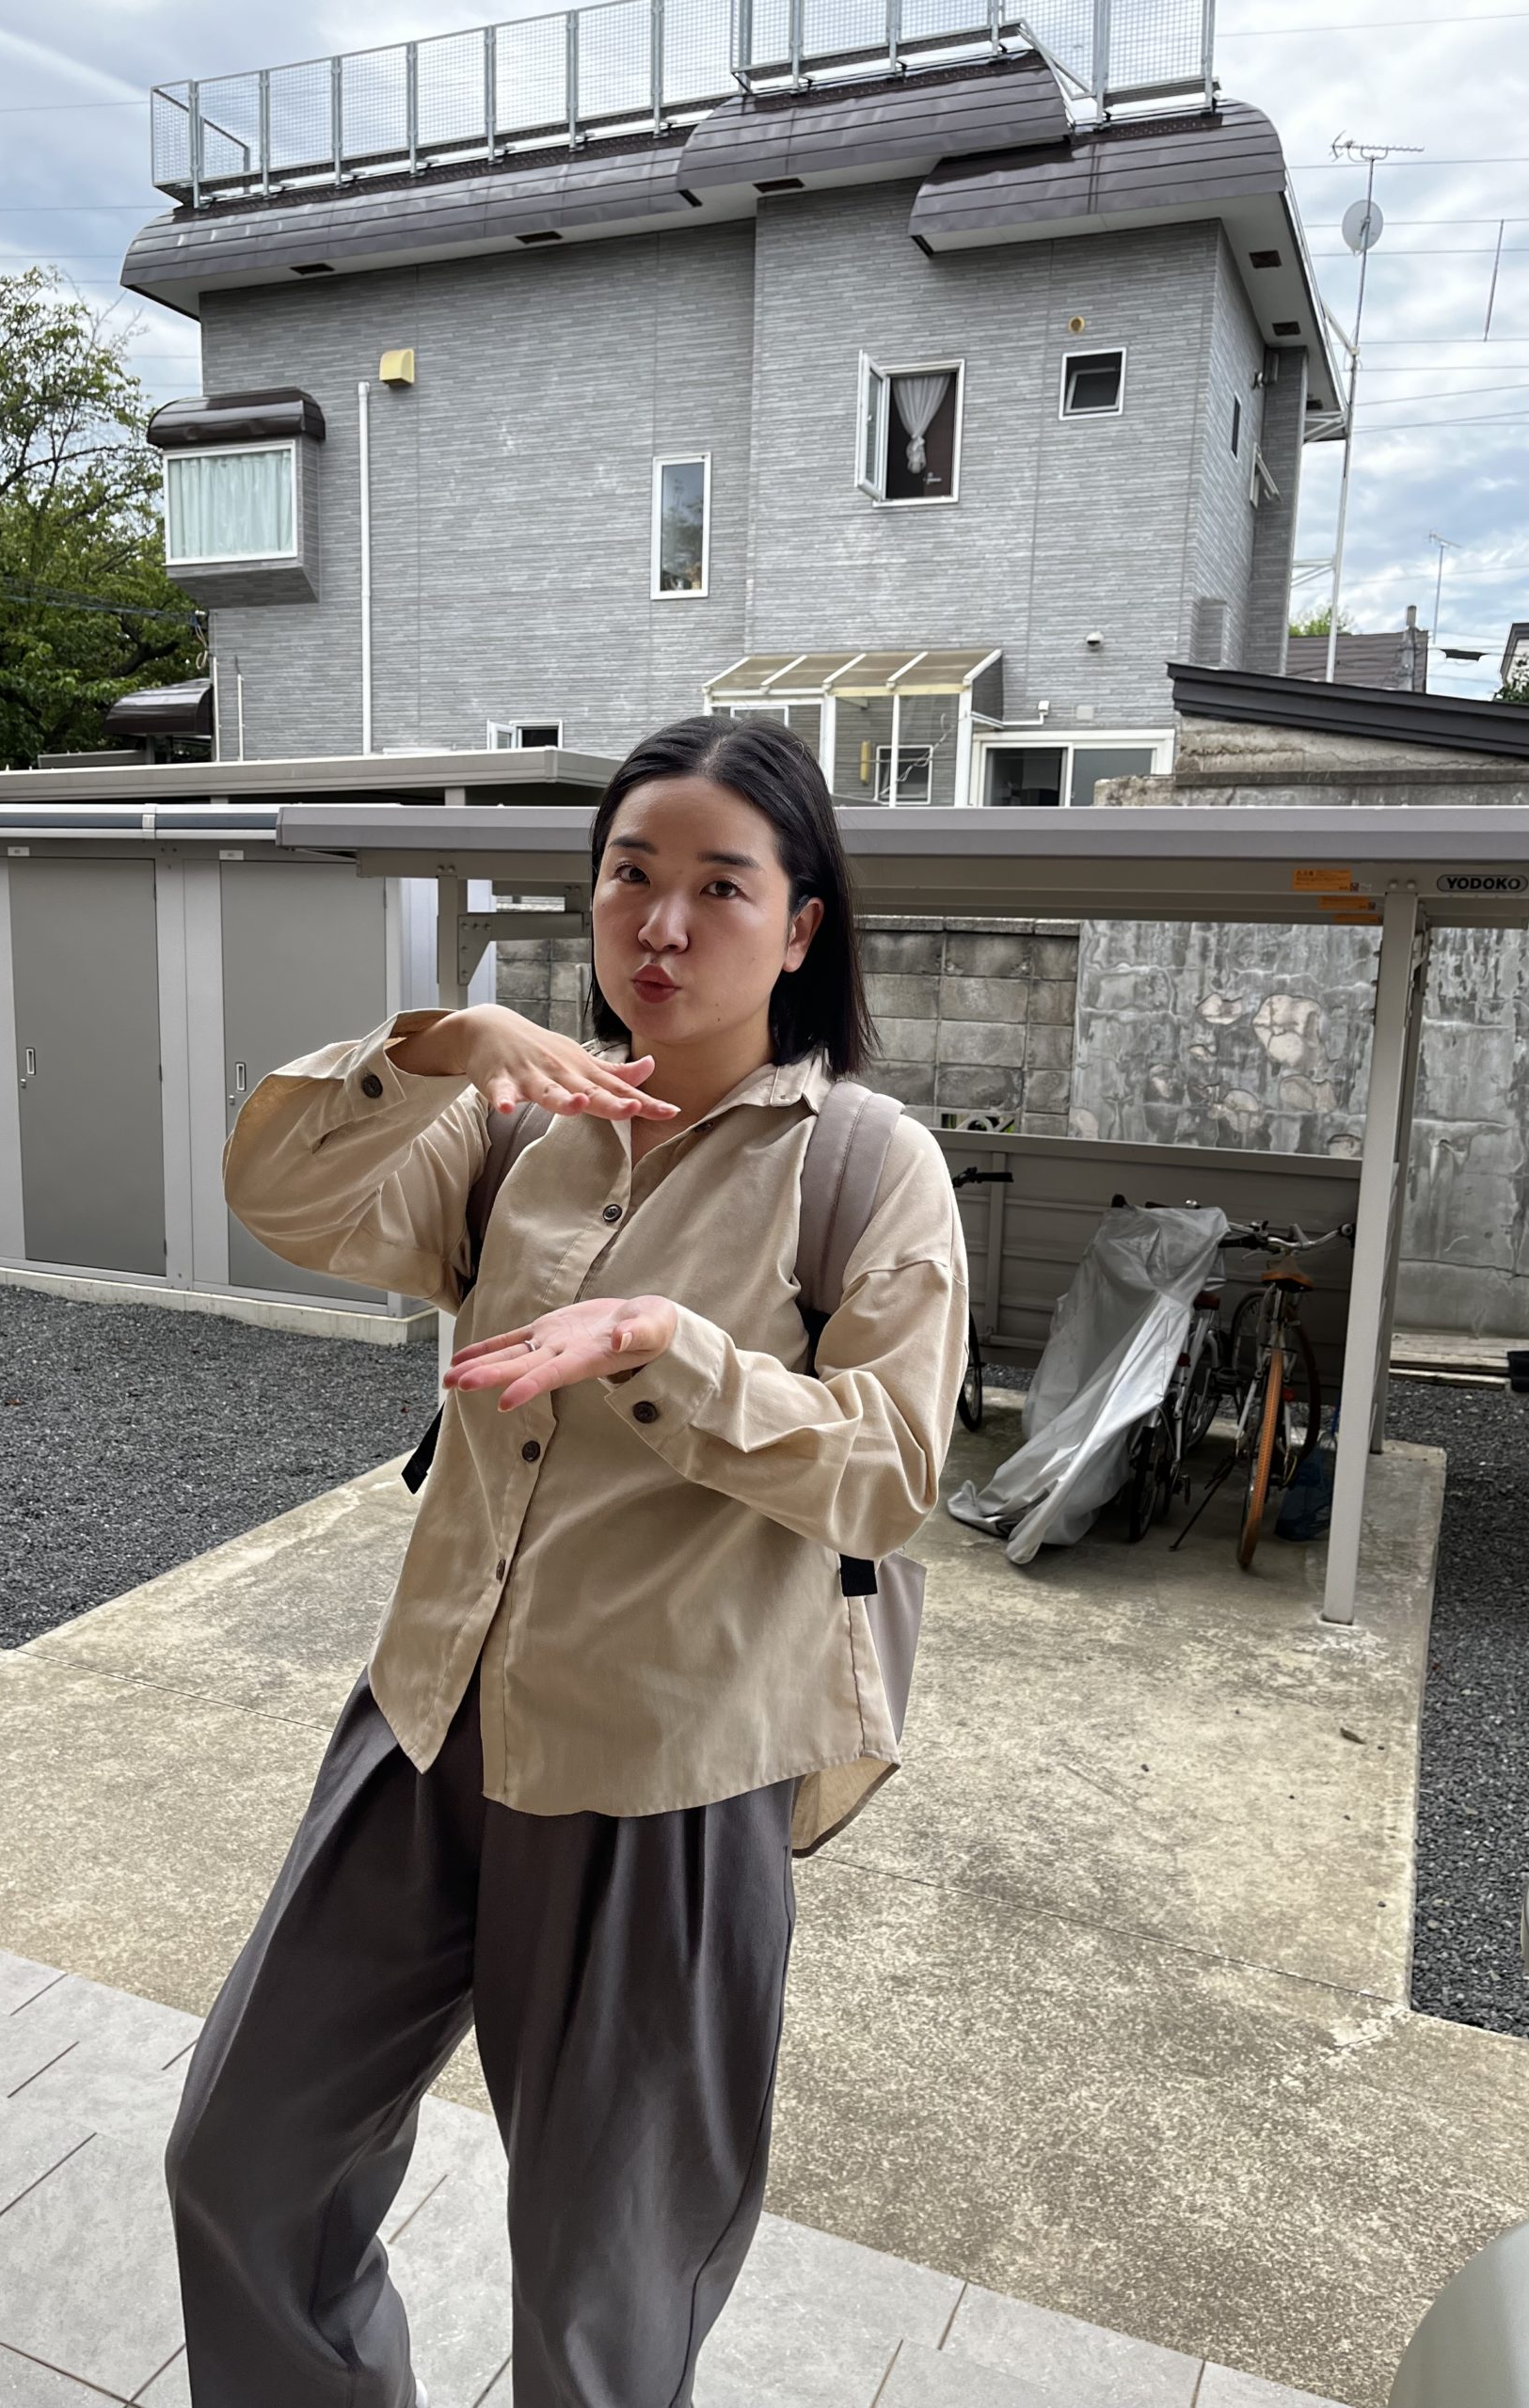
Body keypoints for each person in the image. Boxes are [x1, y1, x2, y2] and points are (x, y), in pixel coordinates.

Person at [164, 714, 970, 2407]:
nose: (661, 925)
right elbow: (287, 1197)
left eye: (721, 886)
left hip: (664, 1779)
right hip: (425, 1725)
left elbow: (893, 1471)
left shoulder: (859, 1164)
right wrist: (438, 1047)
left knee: (601, 2305)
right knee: (243, 2162)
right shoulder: (519, 1130)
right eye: (628, 874)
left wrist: (667, 1349)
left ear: (802, 928)